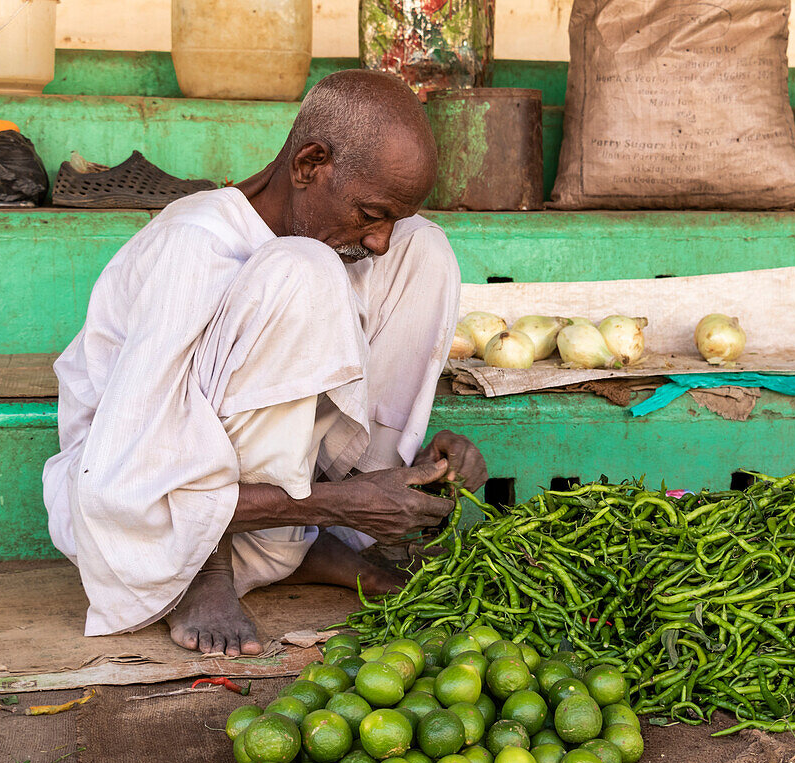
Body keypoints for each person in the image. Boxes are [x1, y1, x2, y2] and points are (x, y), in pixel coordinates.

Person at [42, 70, 488, 657]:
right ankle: (210, 572)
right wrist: (336, 501)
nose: (377, 241)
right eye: (371, 213)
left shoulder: (362, 241)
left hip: (276, 512)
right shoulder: (194, 244)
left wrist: (401, 476)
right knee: (300, 268)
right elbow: (126, 486)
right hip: (151, 527)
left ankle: (328, 536)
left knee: (424, 245)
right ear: (309, 163)